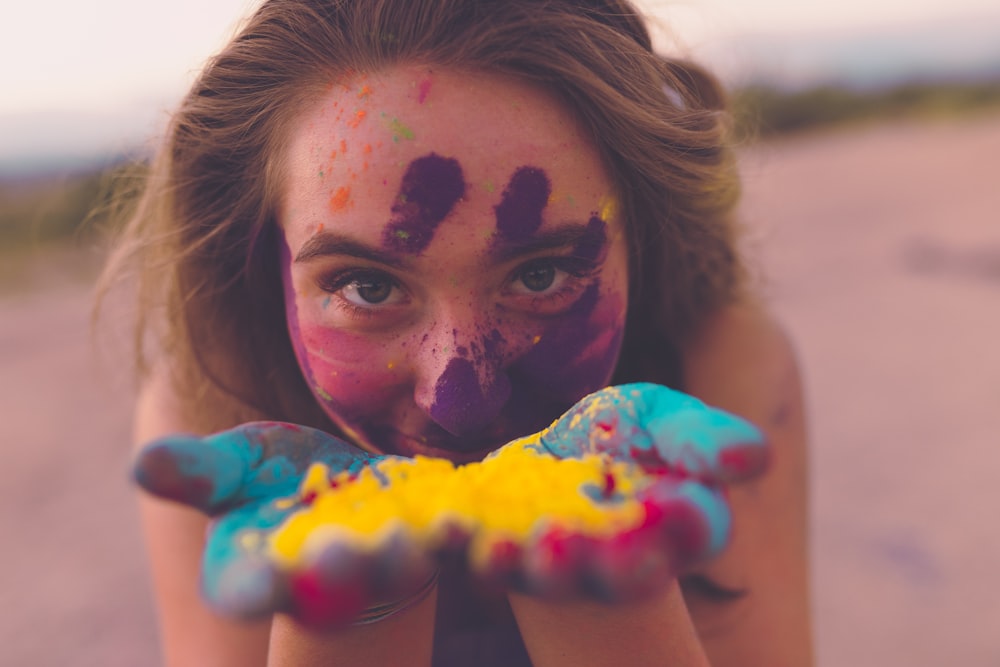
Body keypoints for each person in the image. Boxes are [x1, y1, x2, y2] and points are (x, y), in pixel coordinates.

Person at [99, 0, 812, 664]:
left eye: (539, 276)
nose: (458, 399)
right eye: (368, 286)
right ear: (261, 267)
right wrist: (353, 622)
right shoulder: (212, 411)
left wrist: (611, 614)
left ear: (643, 237)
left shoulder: (723, 375)